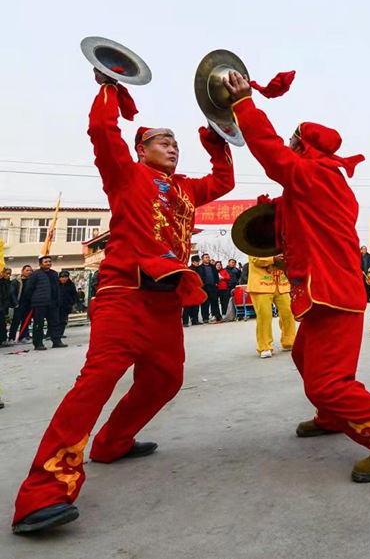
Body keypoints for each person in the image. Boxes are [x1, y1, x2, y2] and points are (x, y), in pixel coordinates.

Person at [12, 68, 234, 534]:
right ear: (140, 149)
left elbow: (224, 182)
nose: (172, 146)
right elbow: (101, 130)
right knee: (95, 383)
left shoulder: (188, 189)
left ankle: (113, 441)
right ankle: (42, 493)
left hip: (165, 304)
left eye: (176, 141)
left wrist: (218, 139)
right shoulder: (125, 174)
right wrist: (111, 87)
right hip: (123, 298)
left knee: (166, 381)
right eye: (161, 140)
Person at [224, 70, 370, 482]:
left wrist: (244, 103)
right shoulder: (316, 183)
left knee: (327, 383)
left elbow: (271, 153)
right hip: (321, 292)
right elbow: (297, 228)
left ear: (305, 146)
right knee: (303, 356)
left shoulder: (316, 176)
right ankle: (331, 417)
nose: (289, 146)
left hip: (333, 294)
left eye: (294, 141)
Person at [247, 254, 296, 358]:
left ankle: (289, 341)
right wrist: (273, 259)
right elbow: (255, 259)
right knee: (265, 316)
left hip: (281, 284)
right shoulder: (254, 242)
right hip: (261, 284)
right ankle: (264, 346)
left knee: (289, 312)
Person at [24, 256, 65, 351]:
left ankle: (57, 341)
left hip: (53, 303)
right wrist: (33, 300)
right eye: (46, 262)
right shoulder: (35, 274)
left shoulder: (54, 274)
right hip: (39, 304)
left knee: (55, 323)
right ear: (40, 264)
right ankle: (38, 343)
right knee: (39, 324)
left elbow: (57, 288)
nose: (48, 263)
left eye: (50, 261)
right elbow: (29, 289)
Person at [9, 265, 33, 343]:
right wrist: (16, 303)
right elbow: (12, 293)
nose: (29, 272)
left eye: (30, 270)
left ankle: (23, 337)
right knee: (16, 321)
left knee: (26, 321)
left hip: (29, 304)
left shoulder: (32, 281)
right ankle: (11, 338)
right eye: (27, 270)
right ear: (22, 271)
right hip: (19, 304)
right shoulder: (16, 281)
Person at [198, 254, 222, 323]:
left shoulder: (213, 267)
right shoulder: (200, 268)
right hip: (205, 287)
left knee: (214, 302)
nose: (208, 258)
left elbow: (216, 276)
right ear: (202, 259)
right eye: (206, 257)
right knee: (205, 303)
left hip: (213, 287)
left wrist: (216, 283)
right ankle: (205, 317)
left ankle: (217, 316)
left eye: (208, 257)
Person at [57, 271, 79, 340]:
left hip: (66, 305)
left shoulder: (71, 285)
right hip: (56, 305)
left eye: (65, 277)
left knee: (63, 320)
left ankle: (60, 333)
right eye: (62, 277)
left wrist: (72, 302)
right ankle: (53, 333)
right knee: (55, 320)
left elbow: (74, 295)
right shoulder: (56, 284)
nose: (64, 279)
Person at [182, 256, 203, 327]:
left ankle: (195, 320)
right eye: (196, 261)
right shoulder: (189, 269)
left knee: (196, 306)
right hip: (189, 290)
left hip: (197, 289)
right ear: (193, 262)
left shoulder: (200, 269)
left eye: (198, 261)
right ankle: (185, 322)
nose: (197, 263)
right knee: (187, 306)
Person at [0, 268, 12, 345]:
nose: (8, 275)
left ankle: (3, 340)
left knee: (2, 324)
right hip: (1, 305)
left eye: (9, 274)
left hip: (3, 306)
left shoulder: (7, 282)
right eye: (6, 273)